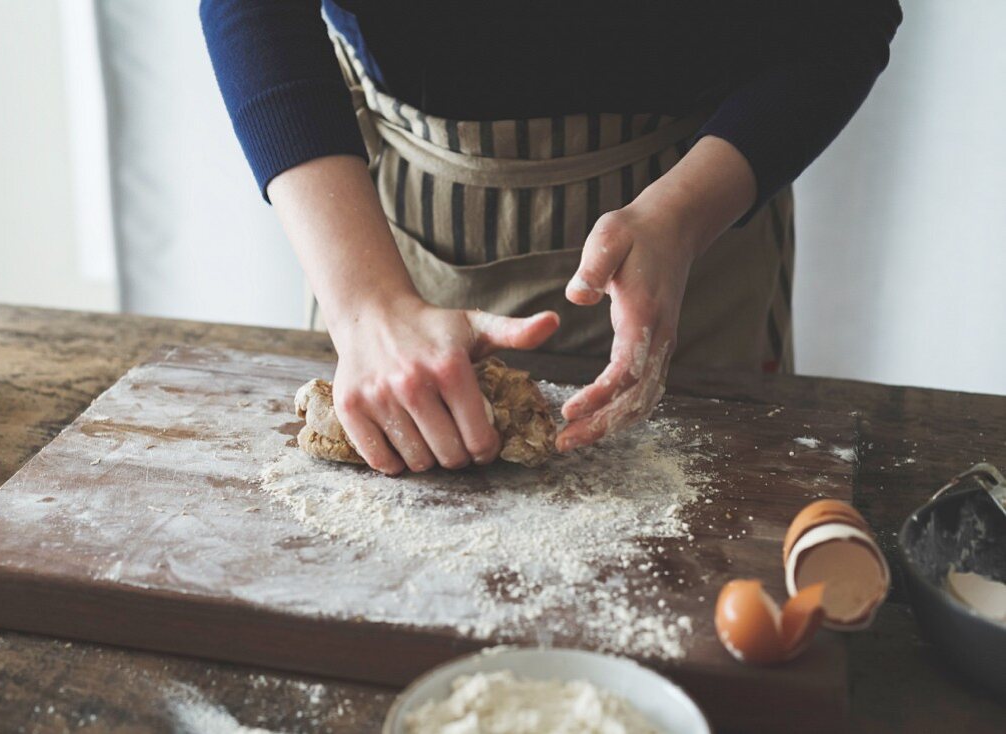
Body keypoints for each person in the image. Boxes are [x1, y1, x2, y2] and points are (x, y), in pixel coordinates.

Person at [201, 1, 901, 474]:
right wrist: (367, 306)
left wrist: (682, 218)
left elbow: (845, 18)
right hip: (395, 244)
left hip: (701, 212)